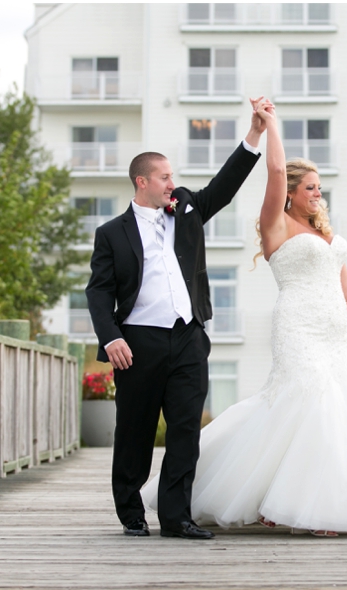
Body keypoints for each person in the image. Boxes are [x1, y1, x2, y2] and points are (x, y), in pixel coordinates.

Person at [142, 101, 347, 536]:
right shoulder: (275, 225)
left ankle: (333, 501)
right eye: (311, 188)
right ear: (291, 193)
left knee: (341, 407)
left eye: (320, 188)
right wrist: (271, 127)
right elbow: (276, 173)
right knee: (311, 401)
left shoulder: (325, 232)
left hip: (333, 330)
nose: (318, 194)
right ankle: (308, 508)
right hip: (297, 326)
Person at [85, 98, 269, 540]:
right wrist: (110, 338)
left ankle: (176, 518)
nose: (173, 183)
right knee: (135, 432)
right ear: (142, 181)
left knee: (186, 430)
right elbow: (99, 291)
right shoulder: (111, 233)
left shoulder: (186, 209)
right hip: (137, 344)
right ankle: (131, 513)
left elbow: (223, 187)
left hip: (188, 338)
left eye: (173, 177)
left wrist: (255, 134)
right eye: (165, 177)